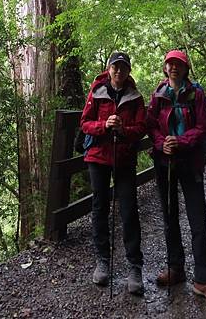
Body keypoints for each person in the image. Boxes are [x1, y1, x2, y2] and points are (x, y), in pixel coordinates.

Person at [147, 49, 206, 307]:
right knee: (170, 218)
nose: (173, 68)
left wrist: (180, 142)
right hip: (165, 162)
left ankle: (203, 279)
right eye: (170, 64)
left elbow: (203, 127)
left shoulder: (197, 94)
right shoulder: (159, 95)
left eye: (178, 64)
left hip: (189, 161)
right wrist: (163, 145)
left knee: (198, 220)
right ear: (165, 68)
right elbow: (151, 126)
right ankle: (176, 268)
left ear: (185, 69)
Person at [80, 51, 146, 295]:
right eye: (115, 67)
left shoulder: (135, 97)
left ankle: (134, 266)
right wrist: (103, 125)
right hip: (98, 156)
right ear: (109, 69)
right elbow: (85, 123)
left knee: (128, 209)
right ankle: (102, 261)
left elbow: (141, 128)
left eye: (123, 67)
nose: (119, 71)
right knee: (100, 208)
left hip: (124, 157)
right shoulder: (97, 91)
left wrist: (124, 129)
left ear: (128, 71)